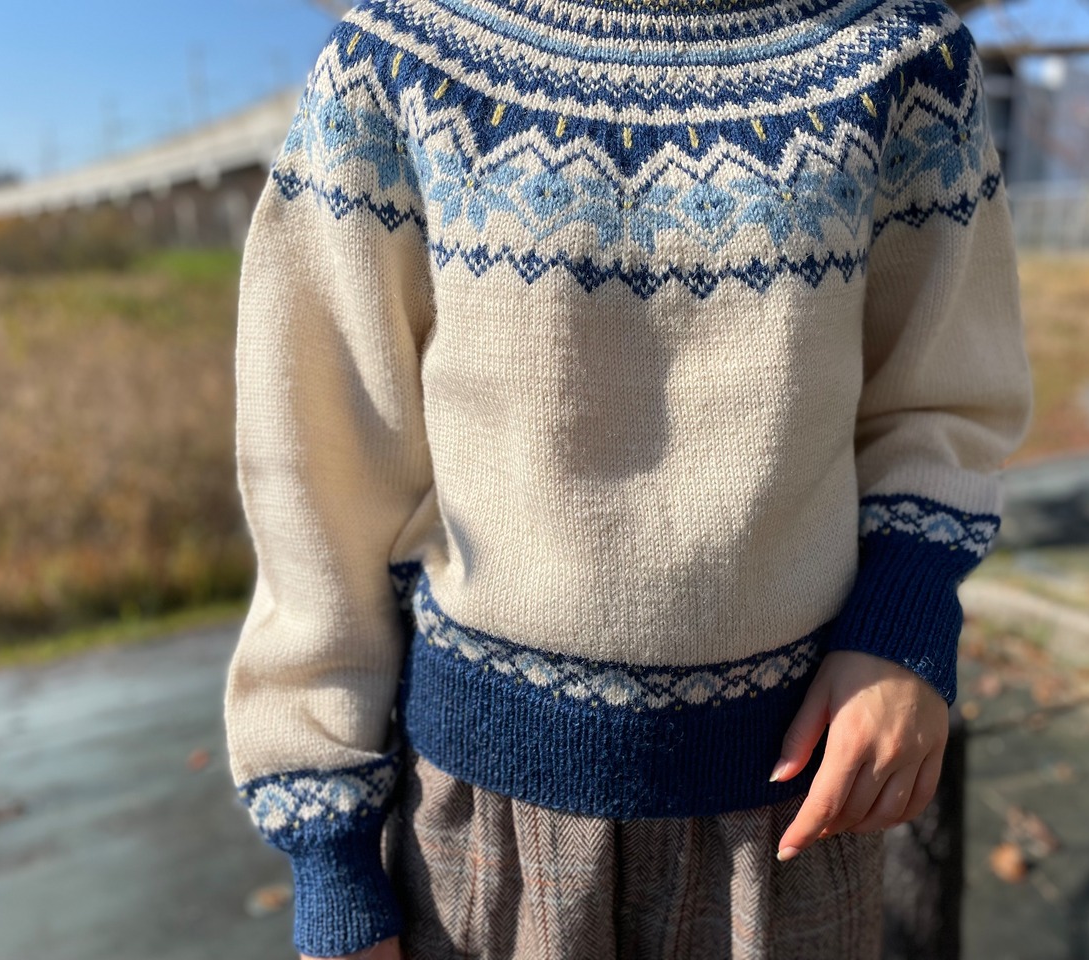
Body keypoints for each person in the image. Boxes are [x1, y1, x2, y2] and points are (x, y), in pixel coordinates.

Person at [223, 0, 1034, 956]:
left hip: (794, 809)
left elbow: (942, 399)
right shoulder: (398, 58)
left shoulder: (900, 56)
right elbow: (320, 463)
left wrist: (902, 630)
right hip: (482, 828)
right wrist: (330, 844)